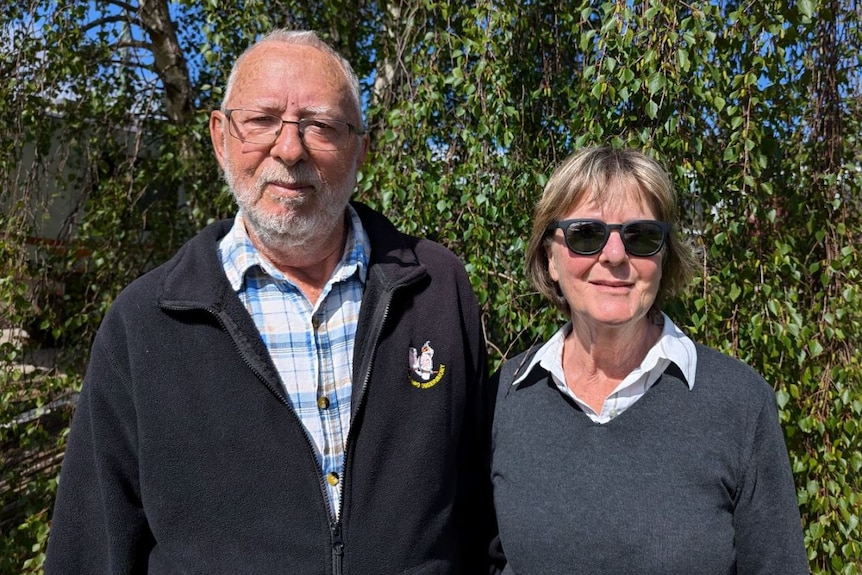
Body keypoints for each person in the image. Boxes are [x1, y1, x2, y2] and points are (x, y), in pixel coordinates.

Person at [45, 29, 494, 574]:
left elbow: (481, 508)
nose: (290, 148)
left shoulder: (436, 289)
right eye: (261, 121)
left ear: (360, 151)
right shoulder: (144, 324)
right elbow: (93, 548)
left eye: (322, 126)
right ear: (221, 136)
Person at [490, 146, 809, 574]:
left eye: (640, 236)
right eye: (587, 234)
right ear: (550, 257)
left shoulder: (739, 404)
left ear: (663, 256)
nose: (615, 256)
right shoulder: (505, 396)